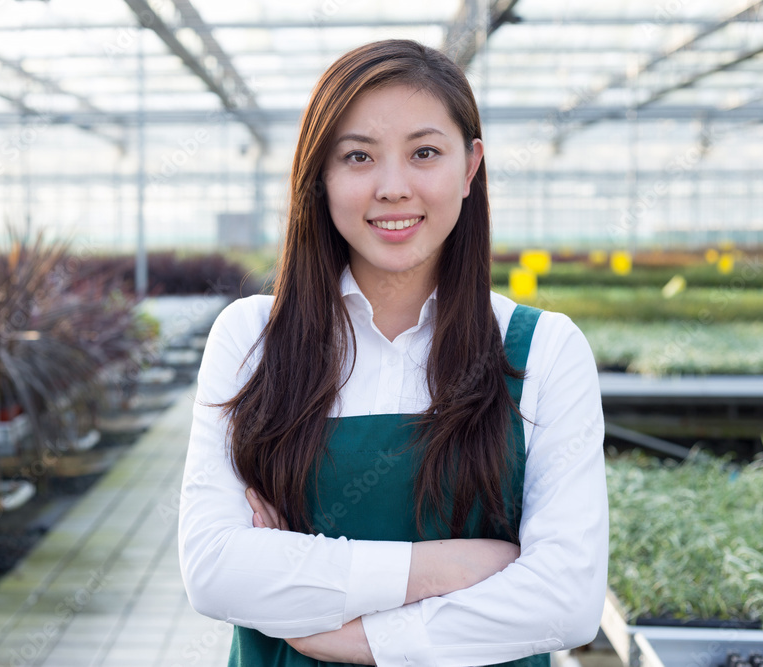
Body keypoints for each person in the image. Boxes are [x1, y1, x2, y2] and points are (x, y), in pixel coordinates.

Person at [178, 39, 608, 667]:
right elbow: (214, 571)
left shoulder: (544, 350)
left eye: (425, 153)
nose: (393, 187)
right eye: (358, 156)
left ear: (469, 169)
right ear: (319, 176)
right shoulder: (251, 339)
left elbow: (567, 601)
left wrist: (357, 635)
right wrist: (449, 566)